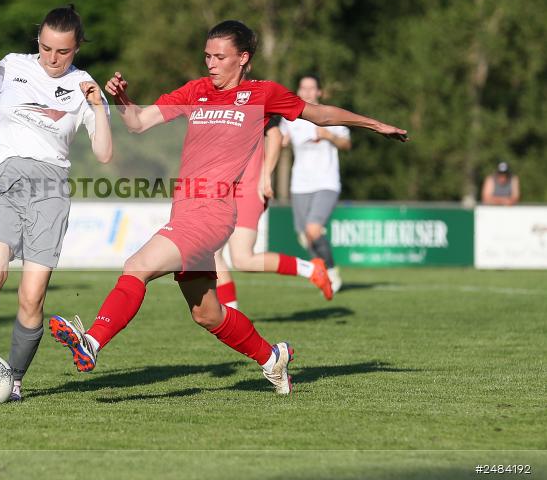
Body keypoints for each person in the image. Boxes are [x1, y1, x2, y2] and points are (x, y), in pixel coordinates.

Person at [50, 20, 406, 395]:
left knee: (137, 265)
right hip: (184, 213)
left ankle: (92, 341)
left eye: (220, 57)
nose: (211, 63)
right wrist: (122, 99)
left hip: (213, 214)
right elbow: (138, 123)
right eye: (207, 56)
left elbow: (319, 114)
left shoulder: (263, 94)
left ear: (243, 58)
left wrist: (374, 124)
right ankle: (272, 358)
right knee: (207, 314)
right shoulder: (196, 90)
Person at [0, 5, 112, 402]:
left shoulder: (84, 86)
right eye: (45, 48)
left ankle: (12, 381)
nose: (52, 58)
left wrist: (99, 107)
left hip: (49, 192)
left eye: (62, 51)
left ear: (77, 48)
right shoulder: (11, 65)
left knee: (32, 297)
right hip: (1, 182)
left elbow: (103, 153)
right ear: (38, 41)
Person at [213, 113, 333, 310]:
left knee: (242, 259)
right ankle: (231, 317)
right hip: (225, 190)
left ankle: (311, 269)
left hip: (249, 189)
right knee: (211, 255)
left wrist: (266, 176)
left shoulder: (255, 106)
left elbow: (277, 136)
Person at [279, 74, 351, 293]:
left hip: (326, 182)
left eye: (312, 88)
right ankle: (321, 274)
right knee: (304, 236)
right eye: (303, 88)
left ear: (319, 92)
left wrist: (330, 136)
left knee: (313, 229)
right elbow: (280, 140)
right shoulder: (290, 118)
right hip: (300, 184)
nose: (307, 92)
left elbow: (346, 144)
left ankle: (331, 273)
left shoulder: (330, 114)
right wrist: (279, 141)